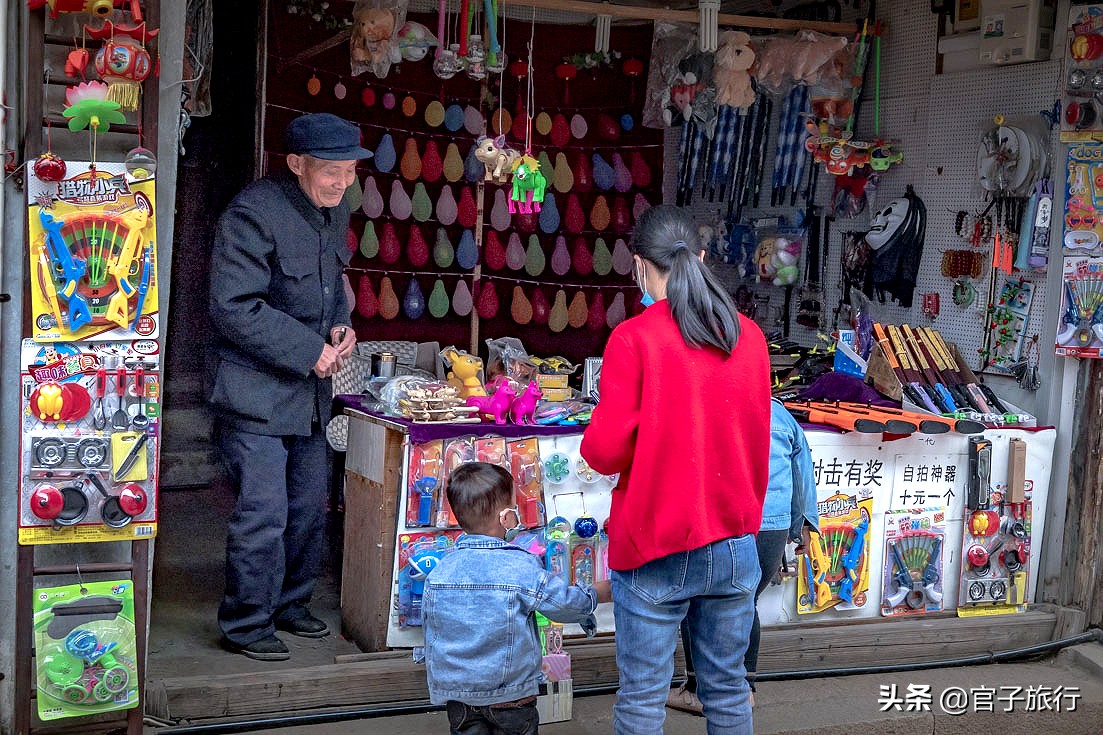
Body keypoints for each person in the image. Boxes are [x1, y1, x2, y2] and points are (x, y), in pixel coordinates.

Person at [580, 204, 772, 735]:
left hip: (656, 542)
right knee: (729, 692)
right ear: (702, 259)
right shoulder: (748, 336)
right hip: (734, 540)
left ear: (639, 265)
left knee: (643, 698)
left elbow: (603, 451)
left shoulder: (634, 338)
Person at [209, 113, 367, 661]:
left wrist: (341, 327)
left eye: (349, 172)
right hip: (254, 394)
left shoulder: (335, 209)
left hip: (308, 395)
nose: (342, 183)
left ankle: (290, 605)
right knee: (264, 512)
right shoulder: (252, 215)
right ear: (296, 163)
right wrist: (309, 349)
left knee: (308, 506)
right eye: (331, 172)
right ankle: (247, 623)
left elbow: (330, 286)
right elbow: (233, 307)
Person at [423, 462, 613, 735]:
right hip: (509, 694)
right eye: (514, 508)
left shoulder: (440, 571)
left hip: (457, 693)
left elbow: (431, 629)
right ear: (505, 518)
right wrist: (595, 594)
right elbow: (563, 605)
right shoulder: (520, 566)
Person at [668, 398, 821, 715]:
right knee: (743, 602)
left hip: (726, 521)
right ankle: (744, 690)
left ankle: (698, 690)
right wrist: (804, 525)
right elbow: (801, 467)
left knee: (697, 600)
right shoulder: (780, 413)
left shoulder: (710, 403)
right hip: (772, 526)